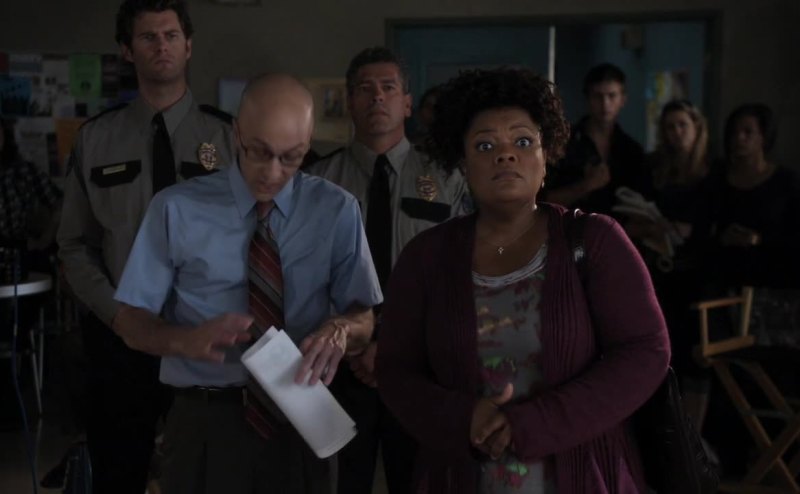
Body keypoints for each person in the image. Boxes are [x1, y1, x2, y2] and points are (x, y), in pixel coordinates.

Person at [376, 68, 670, 494]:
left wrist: (535, 422)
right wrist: (462, 418)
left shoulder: (595, 241)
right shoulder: (426, 257)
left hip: (583, 475)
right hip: (459, 476)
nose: (506, 155)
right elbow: (395, 370)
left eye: (523, 142)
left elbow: (646, 351)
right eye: (485, 145)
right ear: (463, 164)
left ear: (546, 157)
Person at [112, 74, 381, 494]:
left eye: (291, 158)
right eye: (259, 152)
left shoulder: (336, 210)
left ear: (307, 145)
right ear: (236, 133)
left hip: (303, 412)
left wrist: (341, 329)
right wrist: (184, 340)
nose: (272, 173)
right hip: (206, 417)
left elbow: (363, 317)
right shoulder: (176, 208)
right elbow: (130, 321)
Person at [56, 1, 234, 491]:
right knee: (119, 474)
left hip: (206, 337)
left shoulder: (227, 137)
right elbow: (74, 245)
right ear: (127, 51)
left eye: (171, 35)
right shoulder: (97, 139)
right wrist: (119, 316)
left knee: (207, 477)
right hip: (121, 337)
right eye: (148, 37)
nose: (161, 46)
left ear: (189, 45)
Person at [306, 46, 468, 494]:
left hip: (421, 367)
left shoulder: (447, 178)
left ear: (407, 102)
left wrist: (394, 347)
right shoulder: (317, 182)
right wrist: (358, 346)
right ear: (349, 101)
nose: (377, 97)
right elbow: (306, 275)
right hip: (339, 367)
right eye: (365, 89)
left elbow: (458, 277)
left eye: (388, 88)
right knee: (341, 483)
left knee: (418, 481)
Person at [544, 63, 647, 215]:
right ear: (587, 98)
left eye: (612, 96)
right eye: (598, 96)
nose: (605, 104)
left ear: (623, 99)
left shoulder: (632, 151)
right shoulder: (563, 142)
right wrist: (585, 186)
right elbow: (542, 201)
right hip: (569, 227)